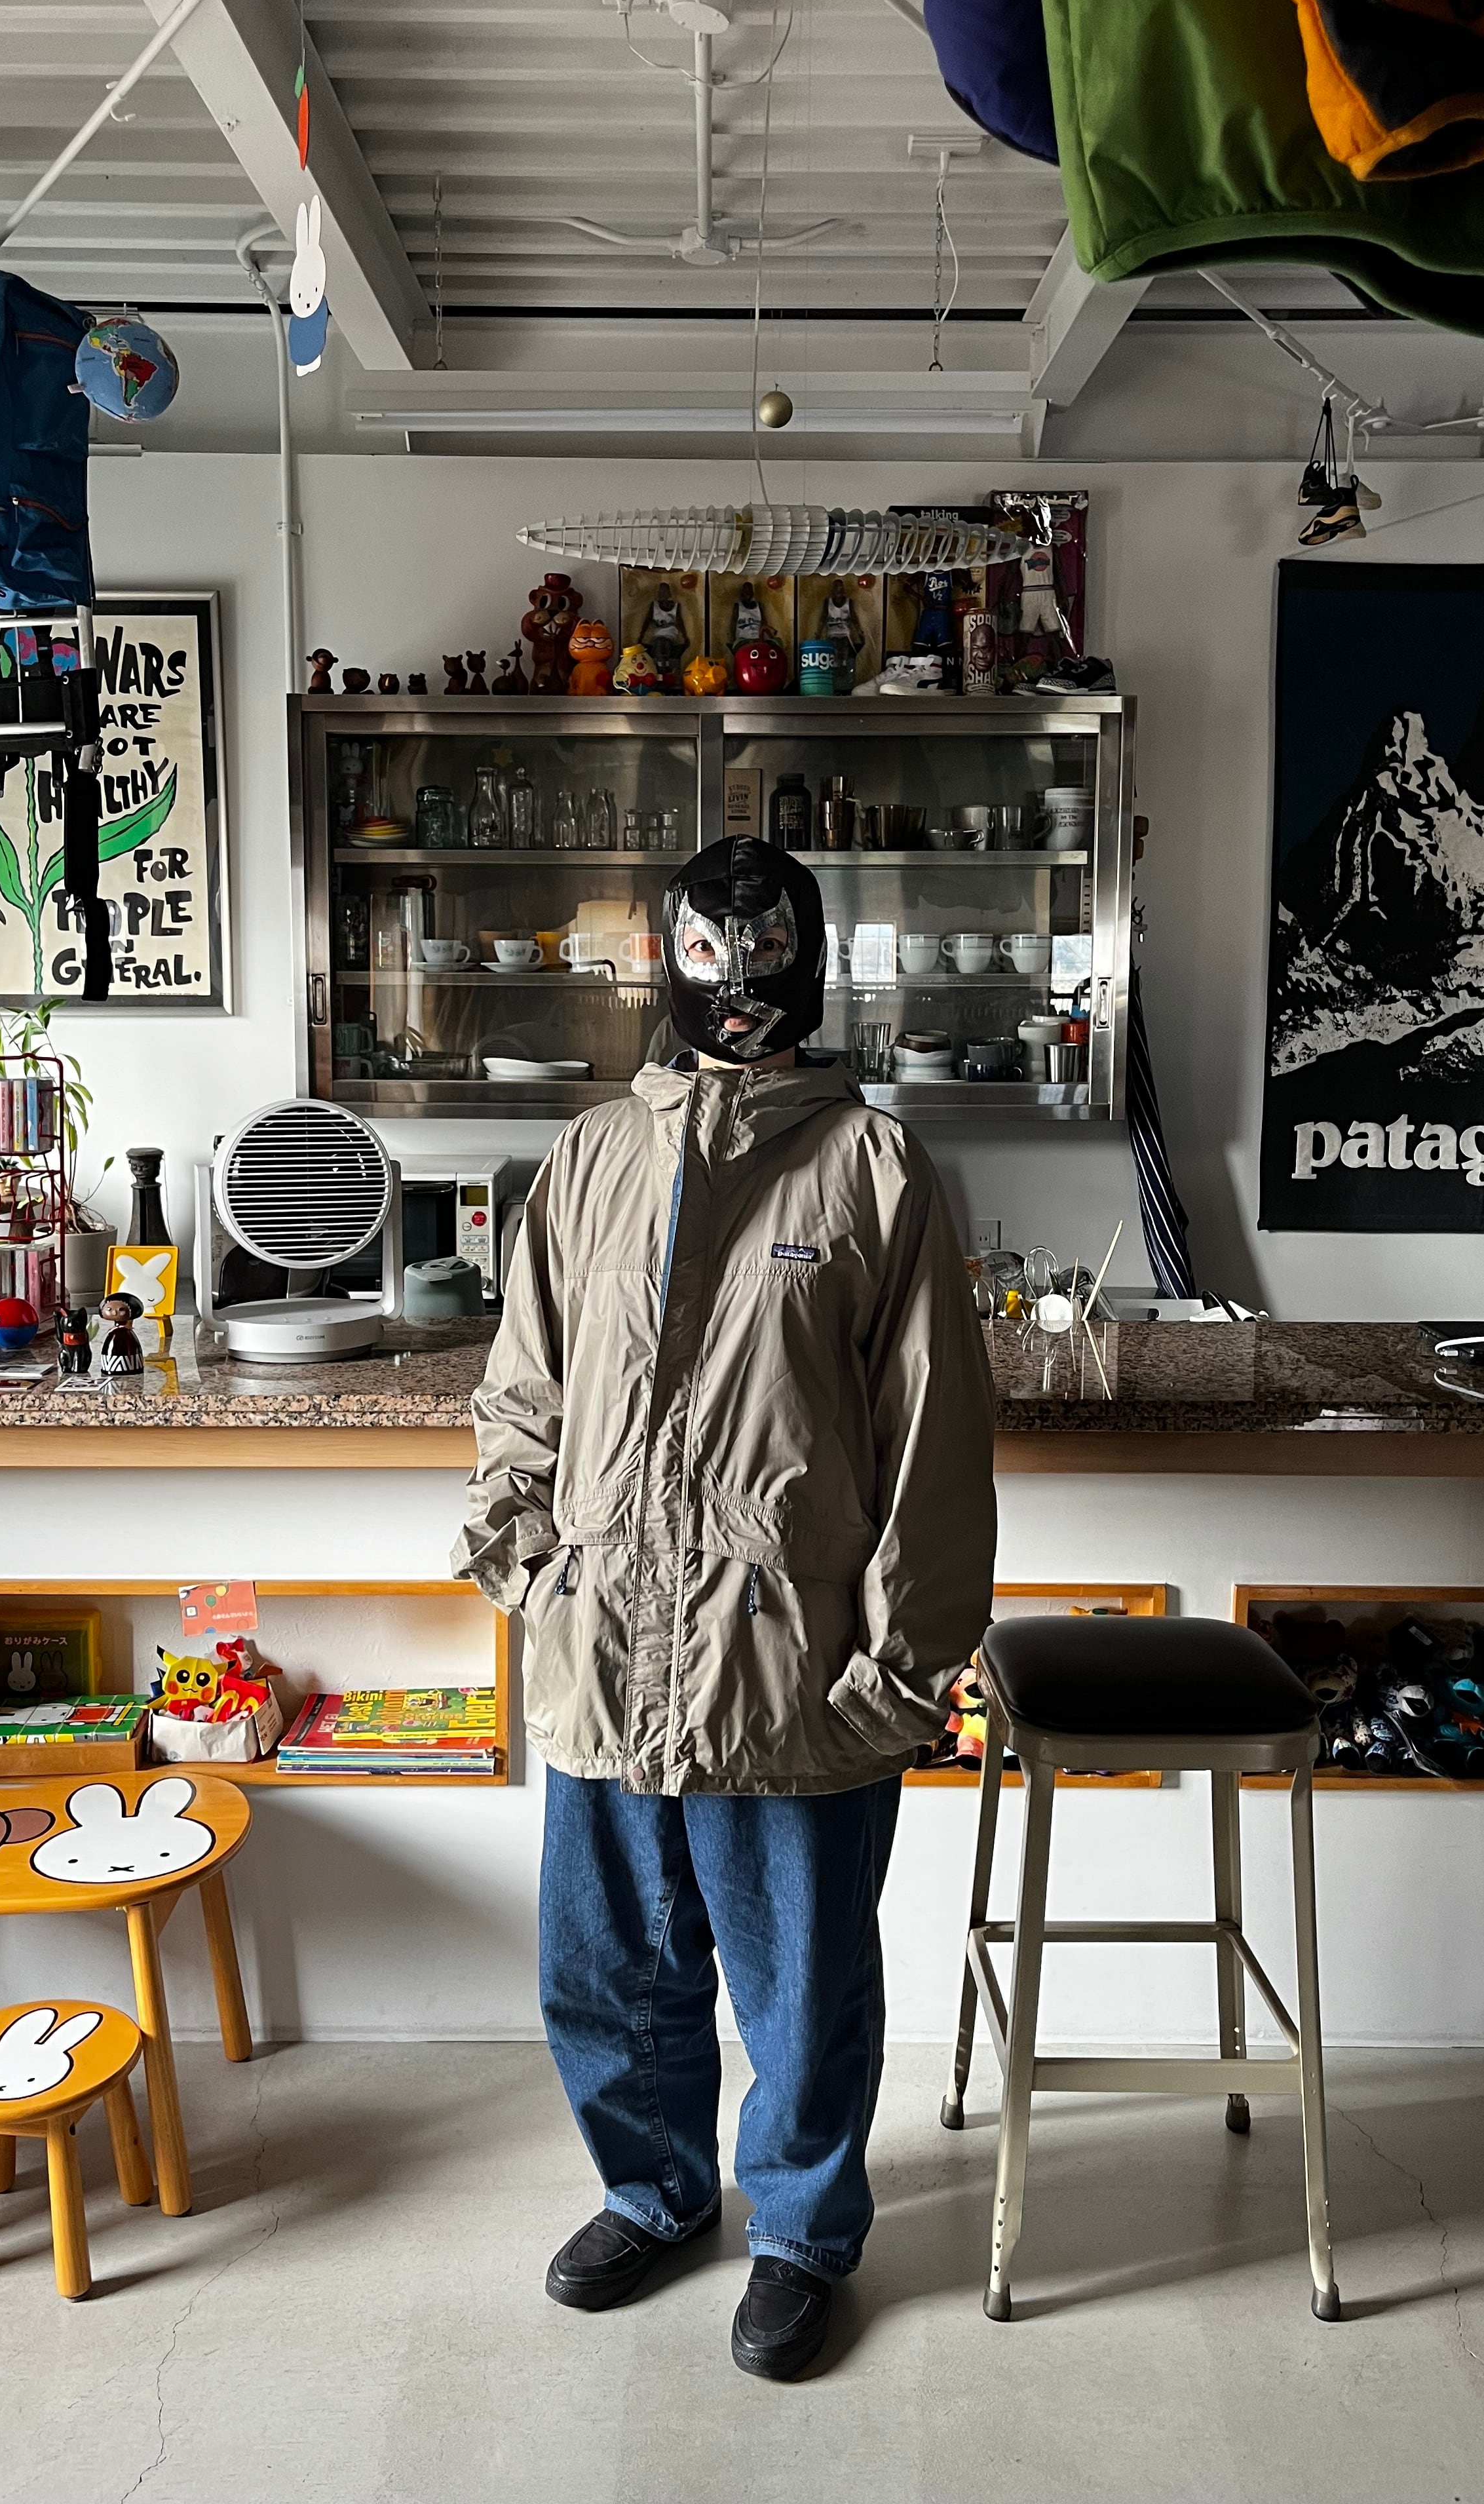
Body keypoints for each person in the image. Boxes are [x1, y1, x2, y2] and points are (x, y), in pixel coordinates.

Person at [453, 834, 995, 2379]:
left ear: (808, 963)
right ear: (667, 964)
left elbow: (933, 1443)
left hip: (790, 1662)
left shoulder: (875, 1169)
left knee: (802, 1985)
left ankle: (803, 2235)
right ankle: (656, 2192)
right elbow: (526, 1386)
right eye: (706, 952)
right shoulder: (591, 1157)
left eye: (766, 953)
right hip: (604, 1649)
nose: (738, 983)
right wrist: (527, 1561)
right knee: (609, 1970)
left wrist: (904, 1666)